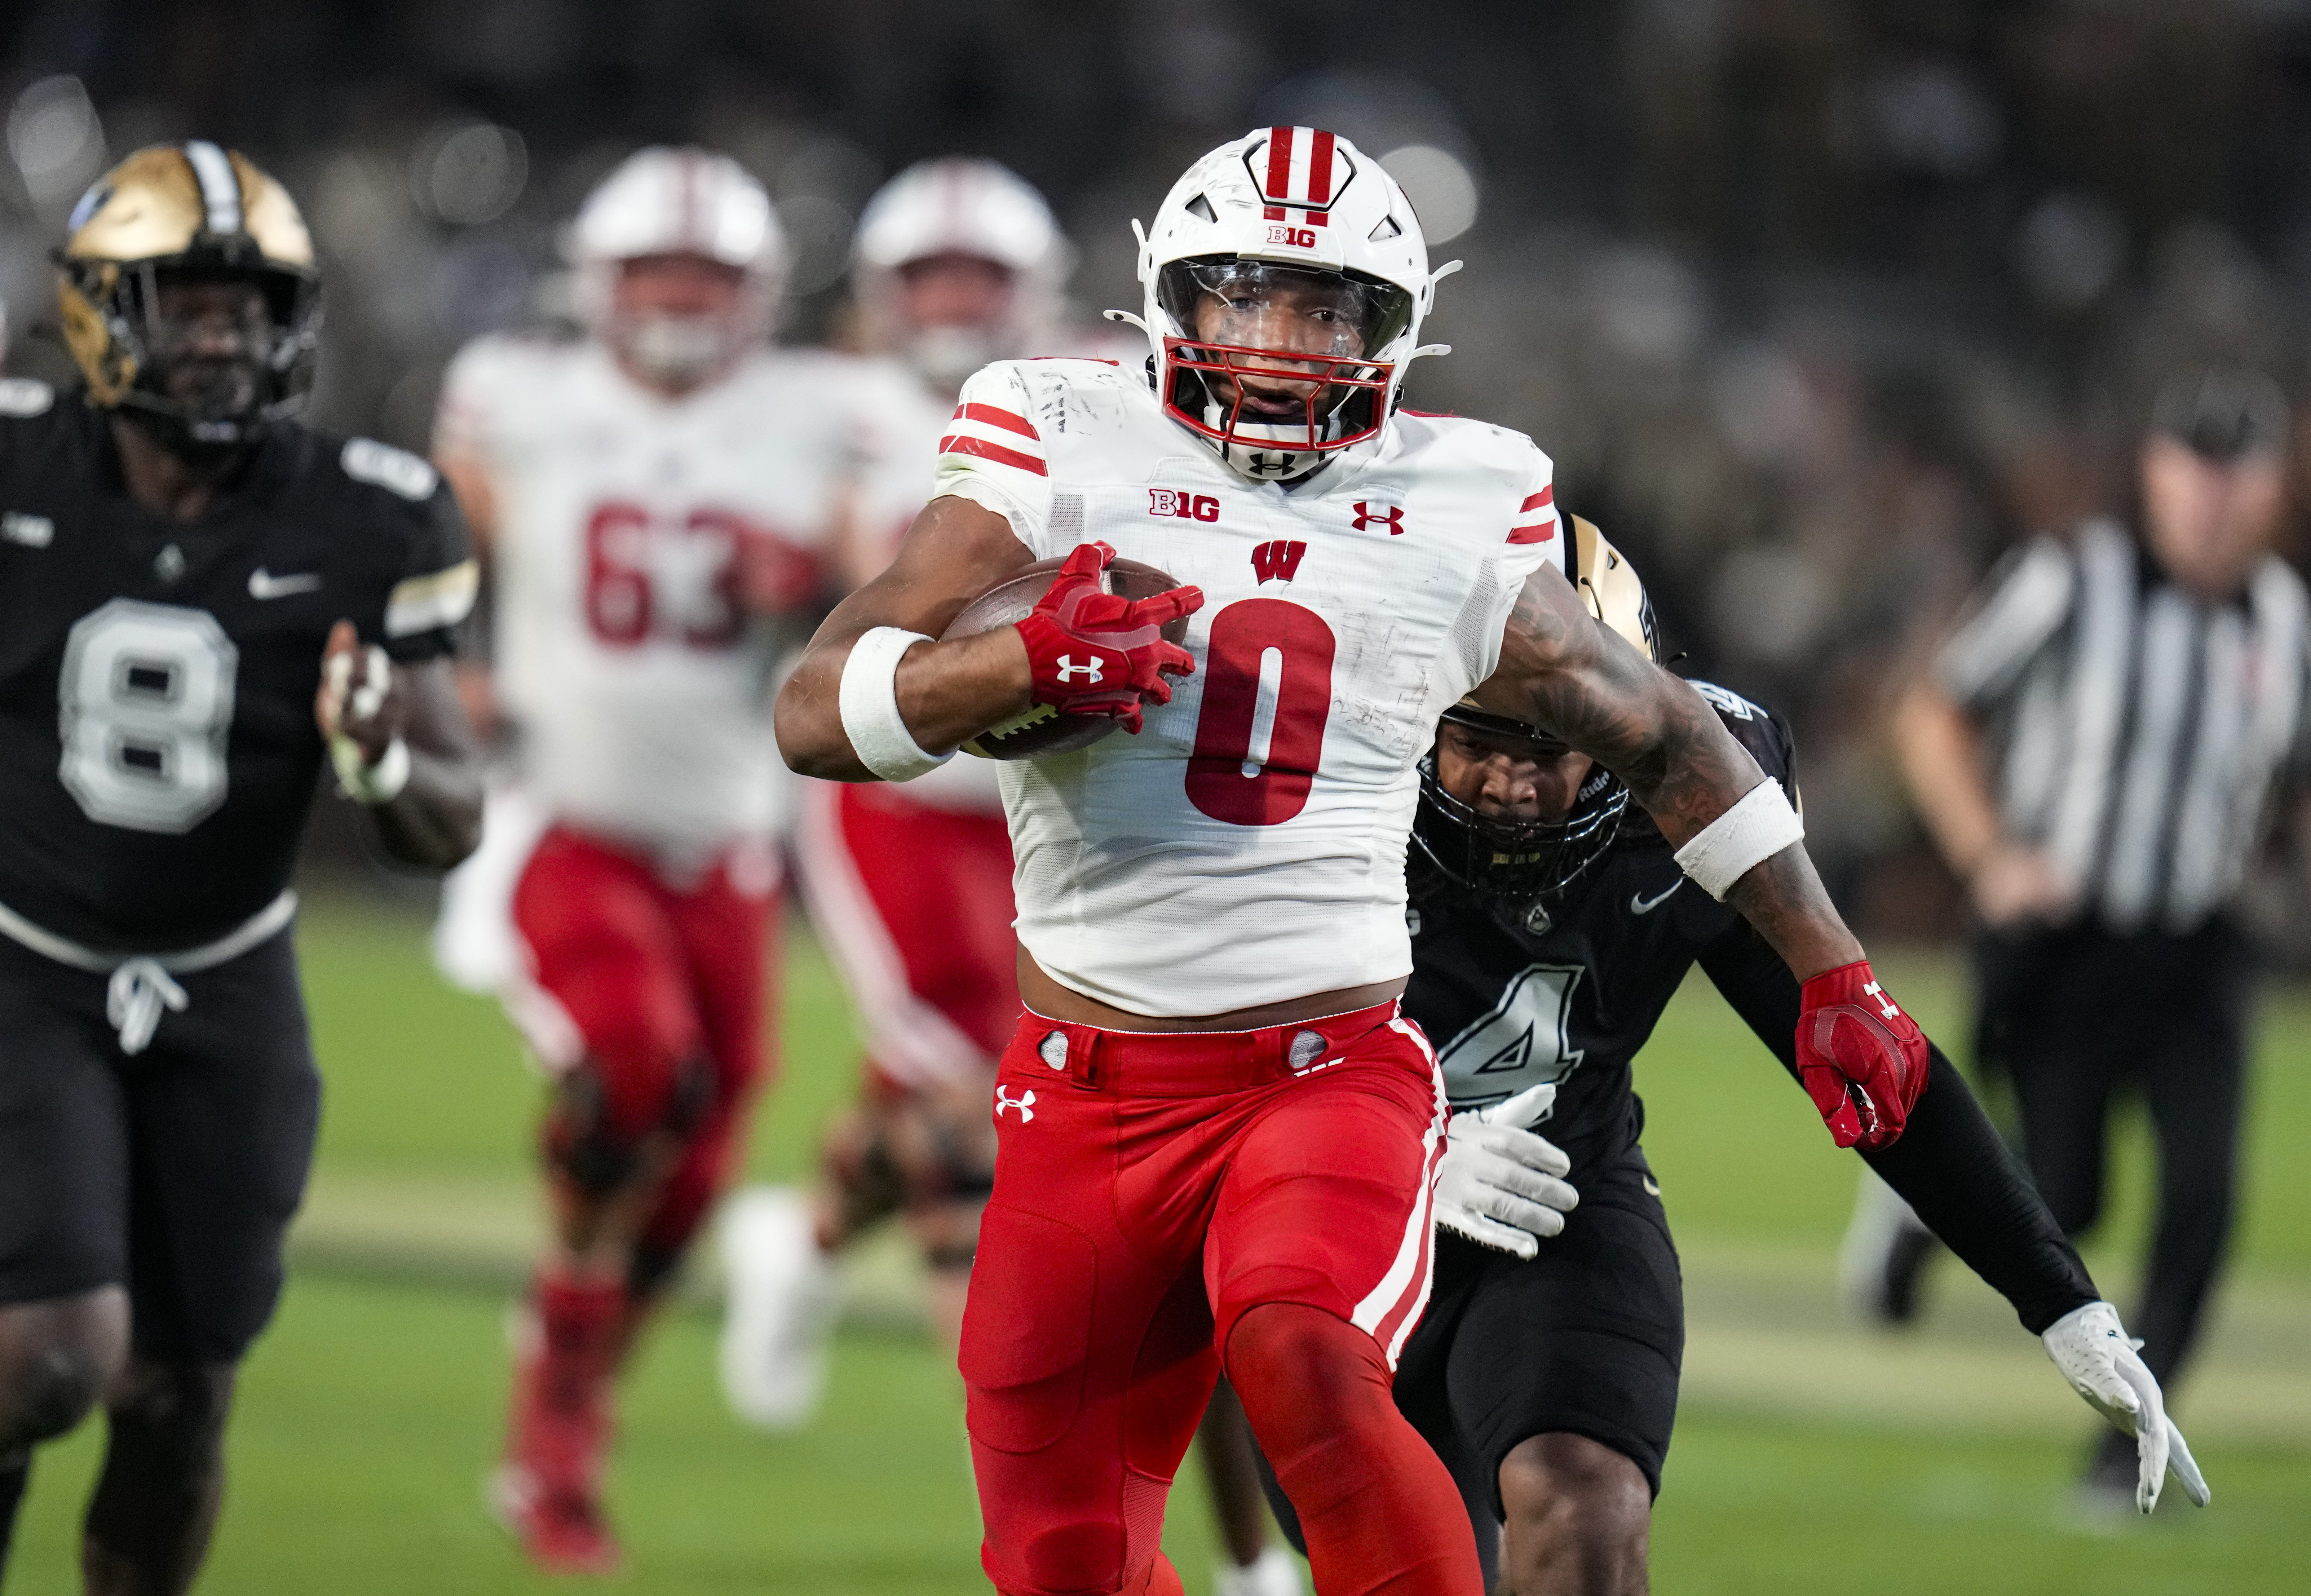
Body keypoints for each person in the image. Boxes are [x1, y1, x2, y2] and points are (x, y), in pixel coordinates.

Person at [775, 125, 1939, 1596]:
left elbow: (1659, 734)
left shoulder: (1463, 494)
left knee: (1304, 1350)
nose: (1285, 344)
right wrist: (1018, 660)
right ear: (1170, 299)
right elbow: (815, 710)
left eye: (1331, 309)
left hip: (1319, 1073)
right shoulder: (1052, 436)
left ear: (1394, 329)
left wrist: (1833, 970)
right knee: (1058, 1554)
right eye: (1250, 296)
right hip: (1080, 1088)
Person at [1254, 520, 2204, 1594]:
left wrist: (2060, 1297)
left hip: (1563, 1199)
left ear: (1626, 724)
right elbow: (1201, 1067)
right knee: (1413, 1562)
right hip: (1333, 1215)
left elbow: (1857, 1045)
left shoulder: (1693, 796)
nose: (1512, 784)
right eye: (1477, 739)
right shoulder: (1316, 789)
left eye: (1550, 746)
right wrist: (1405, 1154)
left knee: (1587, 1499)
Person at [717, 154, 1301, 1596]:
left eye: (980, 279)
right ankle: (1154, 1529)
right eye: (930, 280)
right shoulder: (838, 411)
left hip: (1068, 805)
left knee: (1025, 1114)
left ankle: (796, 1240)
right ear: (880, 294)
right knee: (1005, 1135)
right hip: (906, 804)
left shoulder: (1110, 388)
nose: (957, 304)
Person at [0, 143, 482, 1594]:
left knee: (177, 1395)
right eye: (186, 301)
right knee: (49, 1356)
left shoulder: (373, 509)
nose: (220, 335)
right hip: (30, 963)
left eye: (247, 305)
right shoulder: (19, 463)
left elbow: (451, 814)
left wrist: (383, 754)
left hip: (228, 983)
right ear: (97, 309)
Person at [1842, 364, 2311, 1508]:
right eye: (2195, 468)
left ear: (2272, 488)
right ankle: (1918, 1211)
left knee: (2204, 1200)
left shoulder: (2291, 623)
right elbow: (1934, 707)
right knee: (2066, 1195)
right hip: (2064, 936)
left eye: (2238, 474)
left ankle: (2121, 1460)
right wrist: (1991, 855)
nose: (2214, 498)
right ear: (2156, 472)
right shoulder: (2070, 580)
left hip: (2198, 948)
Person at [428, 146, 853, 1574]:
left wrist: (806, 578)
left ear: (758, 294)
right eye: (657, 271)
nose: (680, 297)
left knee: (691, 1174)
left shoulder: (814, 412)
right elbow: (418, 545)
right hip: (568, 818)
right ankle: (550, 1414)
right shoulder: (523, 397)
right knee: (634, 1065)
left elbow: (885, 572)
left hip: (730, 851)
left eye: (709, 275)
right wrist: (443, 669)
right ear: (597, 286)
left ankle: (570, 1390)